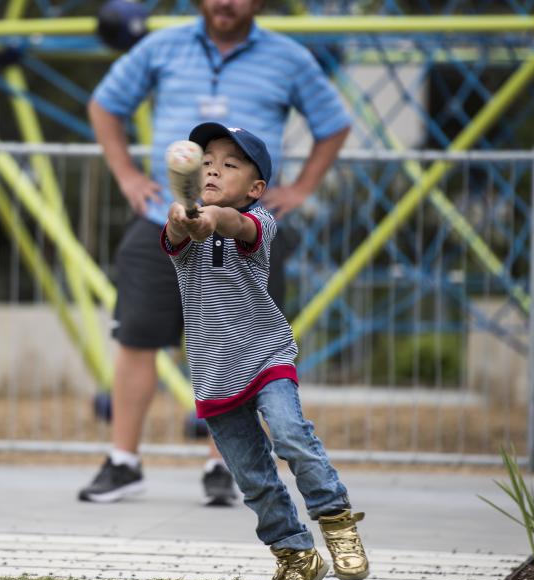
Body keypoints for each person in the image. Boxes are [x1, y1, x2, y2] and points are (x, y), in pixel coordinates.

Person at [80, 0, 352, 505]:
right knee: (137, 337)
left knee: (242, 344)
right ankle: (123, 462)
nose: (225, 2)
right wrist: (127, 175)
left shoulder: (289, 57)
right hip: (158, 217)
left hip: (249, 223)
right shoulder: (162, 45)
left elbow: (334, 123)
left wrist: (301, 189)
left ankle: (222, 468)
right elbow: (105, 105)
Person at [163, 121, 367, 580]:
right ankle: (295, 554)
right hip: (214, 371)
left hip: (265, 356)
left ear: (255, 188)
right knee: (253, 477)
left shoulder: (259, 223)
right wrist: (183, 218)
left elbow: (231, 223)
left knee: (292, 436)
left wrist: (210, 220)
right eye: (207, 163)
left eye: (229, 165)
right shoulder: (182, 220)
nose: (214, 171)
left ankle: (336, 523)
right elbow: (179, 230)